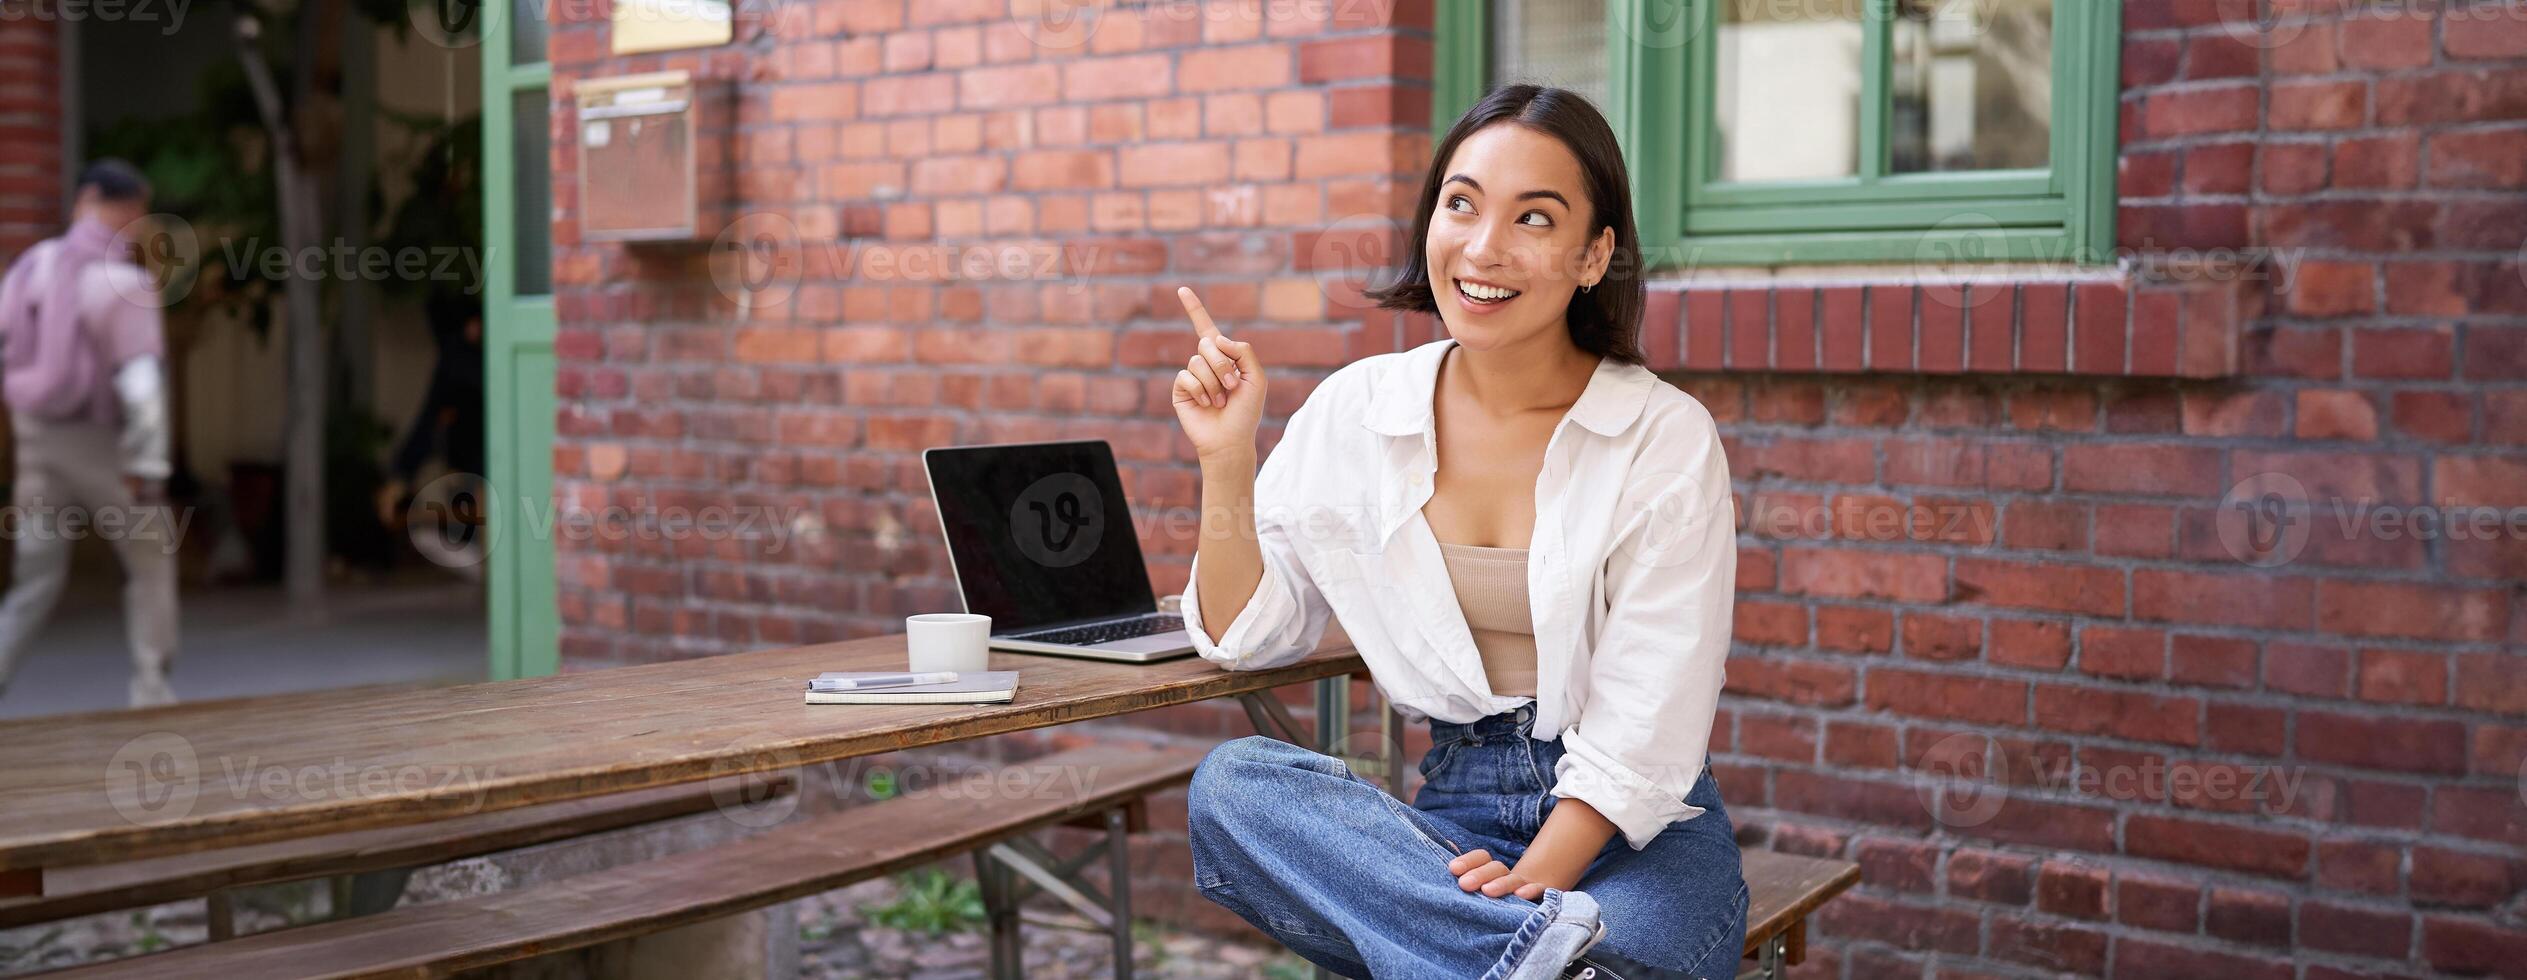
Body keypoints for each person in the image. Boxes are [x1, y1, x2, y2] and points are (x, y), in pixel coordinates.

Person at [1170, 86, 1745, 980]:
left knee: (1608, 941)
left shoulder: (1659, 435)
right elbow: (1249, 636)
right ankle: (1547, 963)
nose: (1484, 248)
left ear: (1595, 255)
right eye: (1461, 203)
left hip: (1631, 835)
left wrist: (1533, 881)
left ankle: (1524, 956)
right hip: (1446, 826)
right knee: (1234, 787)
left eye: (1535, 218)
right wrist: (1225, 459)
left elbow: (1650, 717)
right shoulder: (1358, 411)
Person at [0, 159, 179, 708]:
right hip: (101, 446)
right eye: (140, 210)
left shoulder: (30, 266)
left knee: (33, 584)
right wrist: (148, 469)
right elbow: (142, 385)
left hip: (34, 445)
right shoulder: (122, 282)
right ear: (118, 205)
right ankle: (152, 693)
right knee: (150, 562)